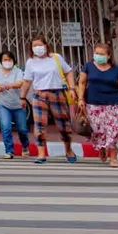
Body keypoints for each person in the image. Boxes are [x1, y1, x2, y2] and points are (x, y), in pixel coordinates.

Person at [76, 43, 118, 168]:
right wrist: (80, 99)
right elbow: (82, 83)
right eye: (96, 53)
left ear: (108, 56)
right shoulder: (88, 66)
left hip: (115, 105)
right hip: (93, 105)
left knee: (115, 132)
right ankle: (102, 147)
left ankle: (113, 157)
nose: (98, 56)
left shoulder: (117, 69)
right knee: (98, 131)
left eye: (102, 54)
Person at [20, 34, 77, 164]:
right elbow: (27, 81)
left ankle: (68, 150)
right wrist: (22, 97)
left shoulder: (56, 58)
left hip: (57, 93)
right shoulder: (31, 62)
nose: (38, 48)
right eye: (34, 46)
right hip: (39, 95)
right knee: (39, 125)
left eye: (40, 45)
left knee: (63, 126)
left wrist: (72, 88)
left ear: (46, 46)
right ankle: (41, 154)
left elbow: (68, 72)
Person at [0, 50, 30, 158]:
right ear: (1, 61)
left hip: (18, 105)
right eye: (5, 60)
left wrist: (8, 86)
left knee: (22, 129)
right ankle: (9, 151)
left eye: (9, 59)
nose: (7, 62)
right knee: (5, 127)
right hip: (3, 104)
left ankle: (25, 146)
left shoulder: (18, 71)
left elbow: (20, 83)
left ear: (13, 60)